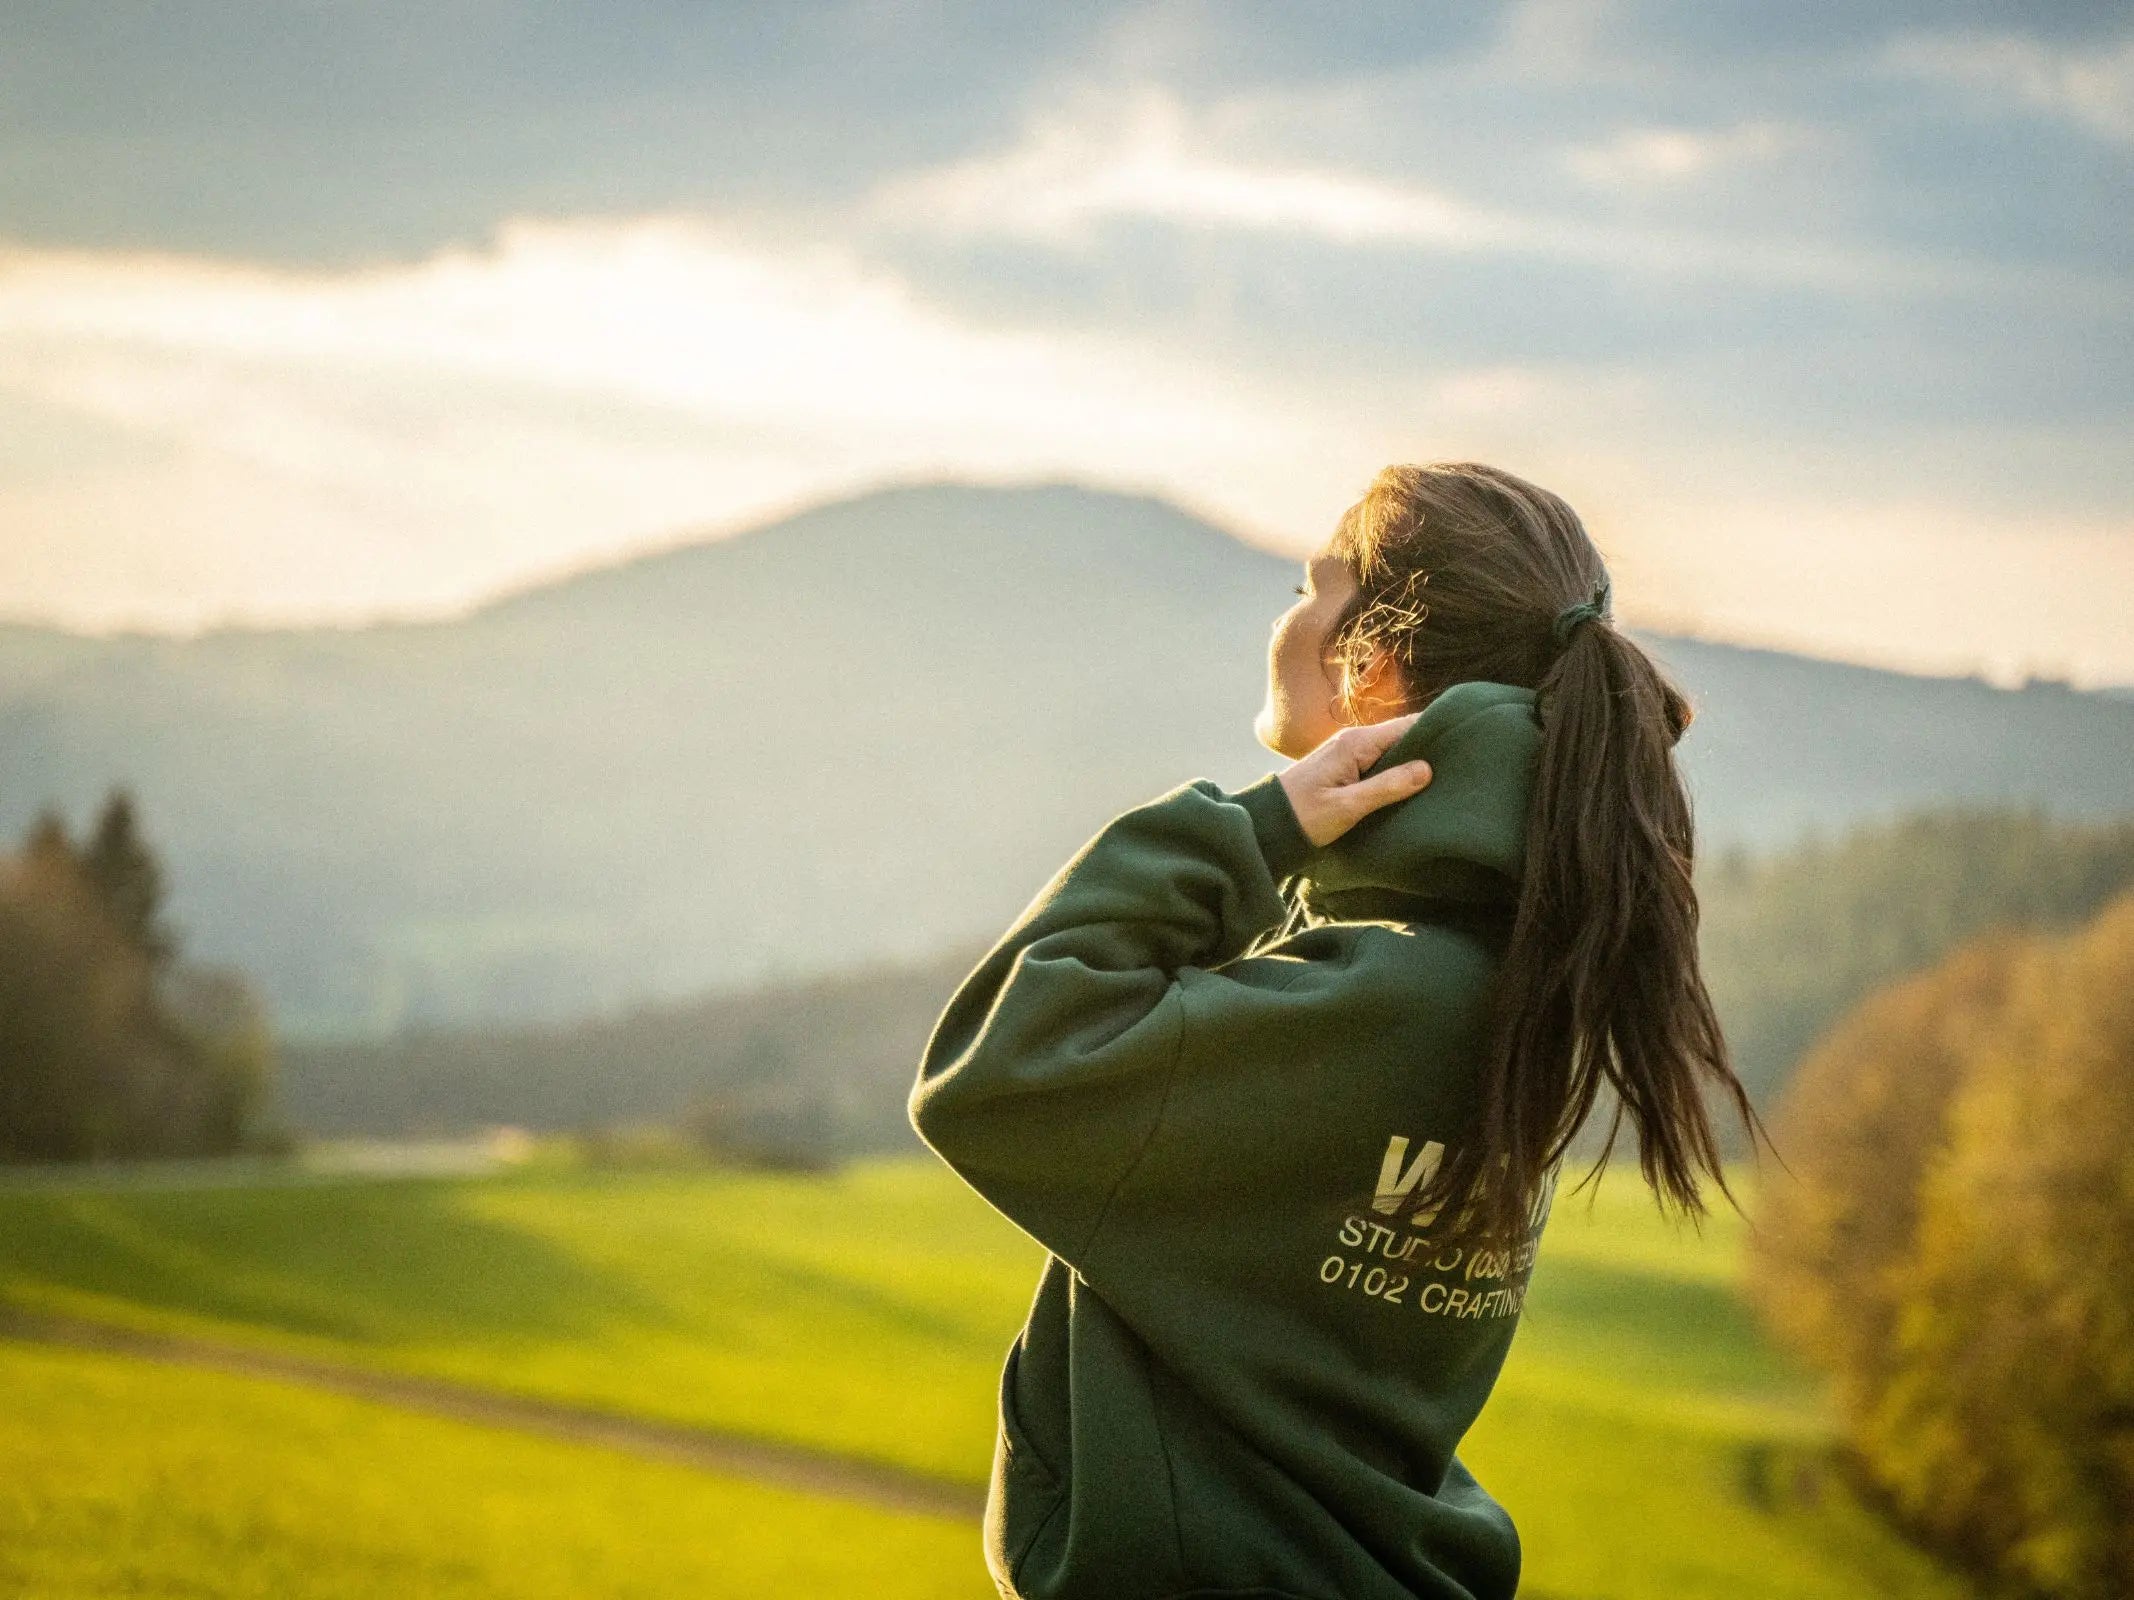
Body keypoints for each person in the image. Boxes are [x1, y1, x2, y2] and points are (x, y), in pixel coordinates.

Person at [909, 461, 1770, 1600]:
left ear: (1371, 666)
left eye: (1308, 586)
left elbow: (994, 1064)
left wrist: (1252, 832)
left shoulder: (1378, 999)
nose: (1284, 617)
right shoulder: (1492, 976)